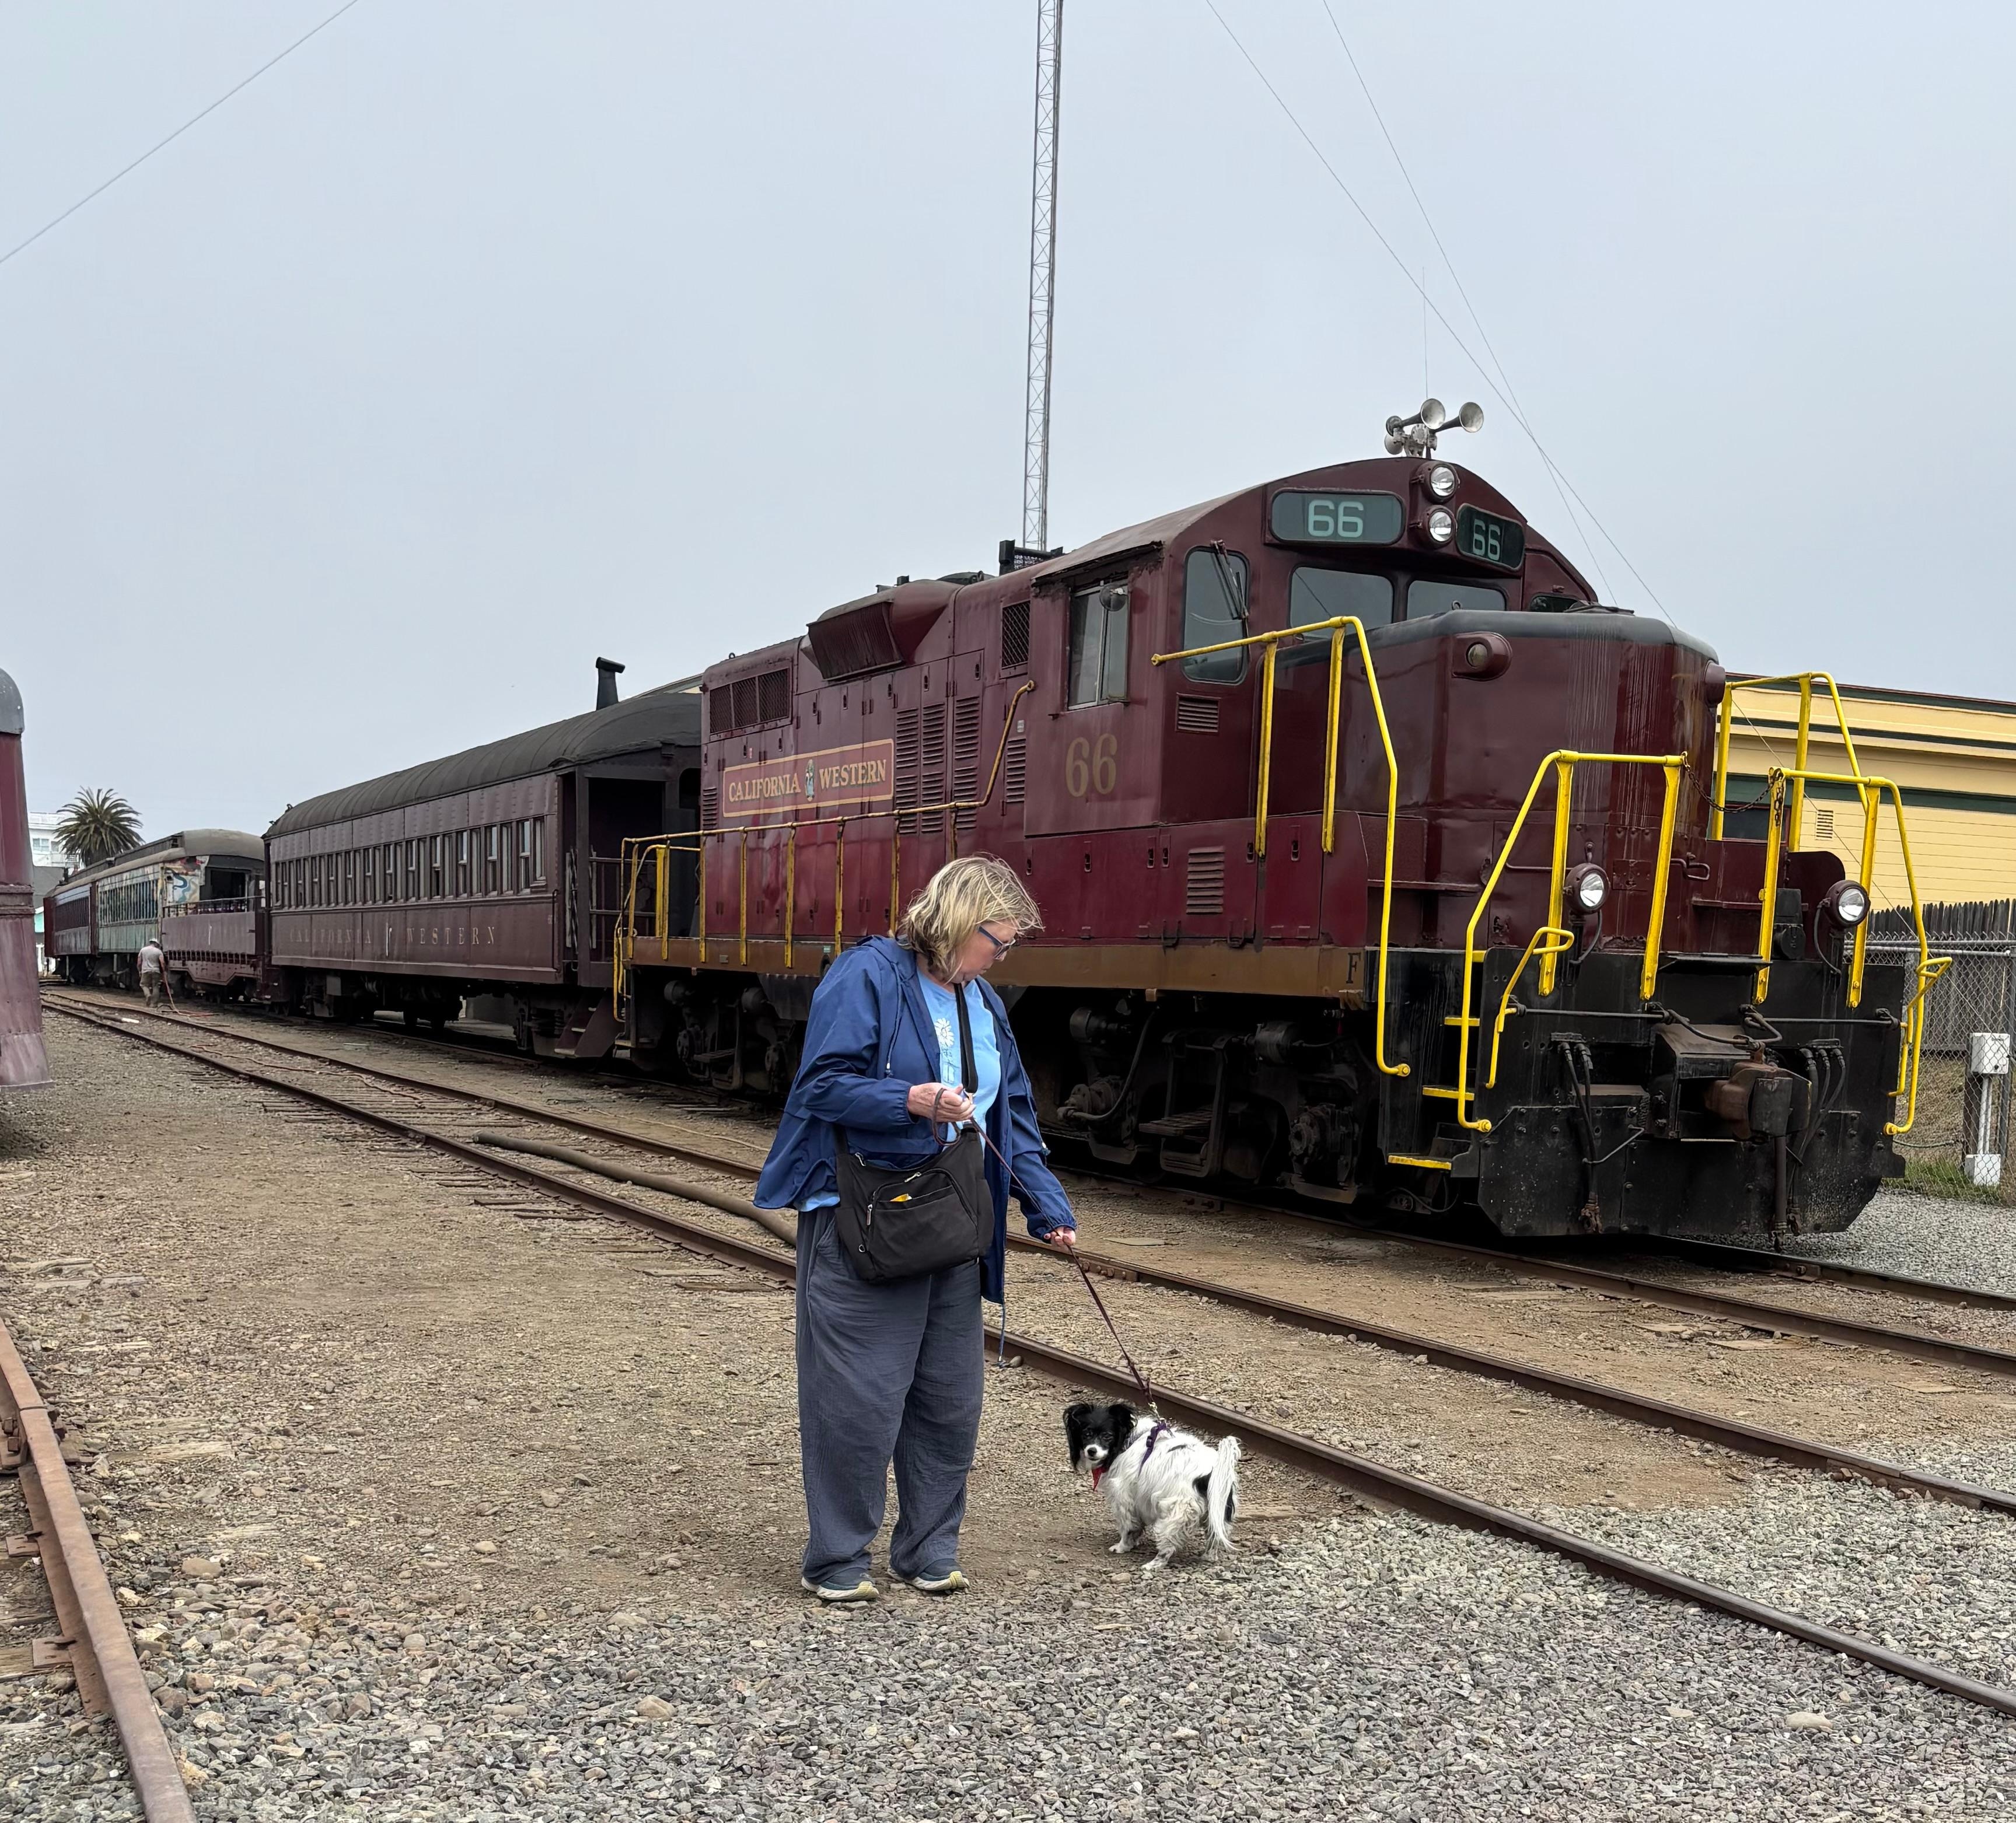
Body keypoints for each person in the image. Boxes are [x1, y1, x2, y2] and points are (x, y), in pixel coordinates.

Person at [754, 853, 1078, 1604]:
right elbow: (822, 1088)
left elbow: (1011, 1114)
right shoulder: (867, 976)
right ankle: (837, 1558)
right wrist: (912, 1099)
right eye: (997, 939)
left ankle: (928, 1550)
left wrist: (1046, 1205)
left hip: (953, 1224)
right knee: (859, 1398)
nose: (1002, 955)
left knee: (948, 1399)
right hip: (865, 1219)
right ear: (959, 922)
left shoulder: (984, 1001)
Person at [136, 937, 169, 1007]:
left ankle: (148, 995)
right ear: (156, 944)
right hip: (156, 971)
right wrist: (164, 971)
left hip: (145, 971)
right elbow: (162, 963)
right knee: (156, 986)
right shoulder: (158, 951)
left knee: (143, 985)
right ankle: (154, 1004)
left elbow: (139, 962)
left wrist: (139, 970)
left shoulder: (143, 950)